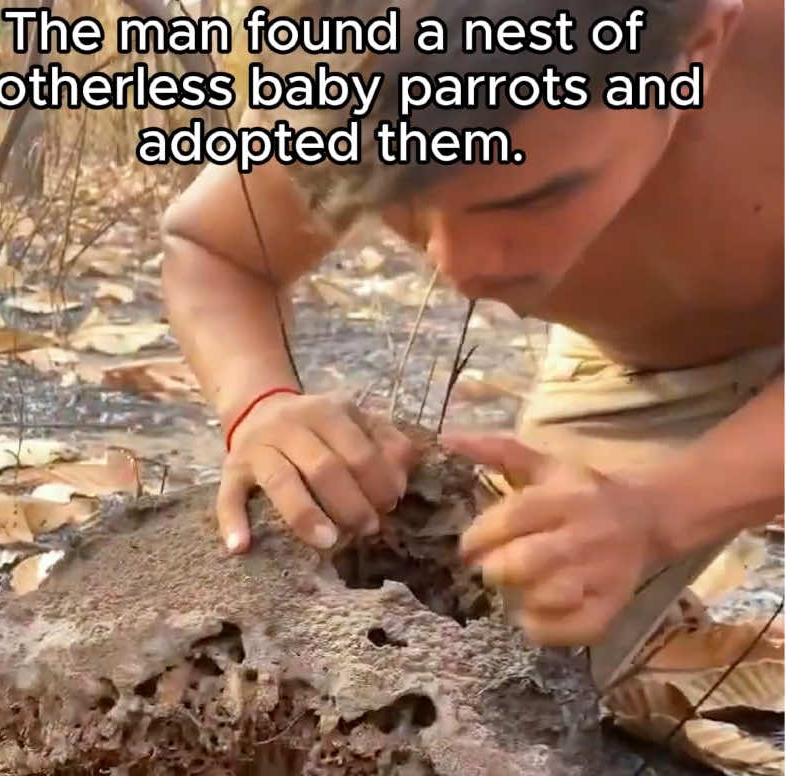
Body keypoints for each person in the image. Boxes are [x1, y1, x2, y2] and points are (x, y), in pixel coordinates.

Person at [160, 0, 783, 686]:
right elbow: (213, 248)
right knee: (499, 668)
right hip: (645, 364)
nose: (457, 270)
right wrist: (263, 405)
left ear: (698, 48)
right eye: (405, 205)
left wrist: (663, 513)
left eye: (529, 200)